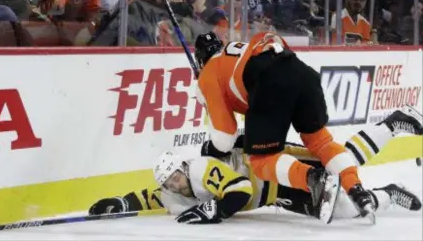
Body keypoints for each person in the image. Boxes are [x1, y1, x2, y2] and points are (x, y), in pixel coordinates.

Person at [192, 30, 422, 221]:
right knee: (322, 144)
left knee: (262, 161)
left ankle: (318, 179)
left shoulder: (210, 73)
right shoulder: (235, 51)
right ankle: (359, 189)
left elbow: (224, 138)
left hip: (270, 87)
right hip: (300, 72)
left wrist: (210, 127)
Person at [88, 108, 422, 224]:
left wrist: (213, 212)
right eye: (171, 184)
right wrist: (117, 203)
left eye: (175, 177)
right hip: (276, 195)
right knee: (342, 212)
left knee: (343, 160)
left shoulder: (201, 168)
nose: (176, 185)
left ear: (183, 167)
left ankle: (394, 122)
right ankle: (389, 194)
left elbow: (240, 190)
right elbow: (151, 197)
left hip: (274, 167)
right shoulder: (174, 187)